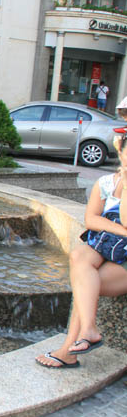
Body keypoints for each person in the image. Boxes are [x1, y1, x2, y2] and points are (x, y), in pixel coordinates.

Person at [36, 130, 127, 368]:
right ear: (121, 152)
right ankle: (88, 330)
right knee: (78, 256)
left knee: (85, 284)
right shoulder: (106, 183)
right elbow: (92, 220)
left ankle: (68, 351)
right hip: (109, 245)